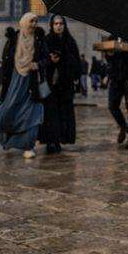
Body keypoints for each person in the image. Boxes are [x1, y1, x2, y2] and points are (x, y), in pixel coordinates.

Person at [0, 13, 45, 158]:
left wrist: (38, 64)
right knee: (10, 111)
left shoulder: (38, 40)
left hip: (32, 83)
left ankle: (29, 146)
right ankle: (8, 140)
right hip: (15, 81)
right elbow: (5, 62)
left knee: (31, 114)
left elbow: (46, 58)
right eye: (31, 21)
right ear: (24, 22)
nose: (34, 24)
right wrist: (2, 82)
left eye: (36, 22)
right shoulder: (13, 39)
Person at [40, 15, 81, 154]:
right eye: (56, 23)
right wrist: (50, 60)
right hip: (50, 85)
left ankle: (60, 139)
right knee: (51, 114)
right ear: (51, 25)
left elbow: (77, 63)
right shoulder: (46, 41)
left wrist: (62, 59)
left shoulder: (70, 42)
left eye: (61, 23)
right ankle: (51, 141)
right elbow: (41, 61)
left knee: (63, 113)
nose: (58, 26)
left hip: (65, 84)